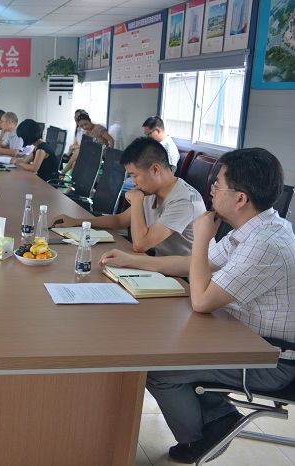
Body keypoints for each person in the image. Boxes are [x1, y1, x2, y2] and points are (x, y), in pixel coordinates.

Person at [98, 147, 295, 464]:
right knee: (157, 342)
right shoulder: (255, 227)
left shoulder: (265, 244)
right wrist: (132, 261)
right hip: (237, 336)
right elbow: (193, 264)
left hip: (268, 358)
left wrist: (202, 237)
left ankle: (199, 438)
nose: (211, 190)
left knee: (156, 368)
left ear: (240, 199)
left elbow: (202, 301)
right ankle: (220, 416)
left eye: (217, 185)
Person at [52, 137, 205, 257]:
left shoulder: (184, 200)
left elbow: (140, 244)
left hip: (185, 278)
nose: (132, 182)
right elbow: (120, 220)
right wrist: (77, 222)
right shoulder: (152, 190)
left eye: (134, 175)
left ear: (155, 170)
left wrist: (137, 201)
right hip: (159, 263)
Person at [122, 116, 181, 194]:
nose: (147, 137)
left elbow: (170, 173)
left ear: (158, 131)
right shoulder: (154, 145)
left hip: (152, 179)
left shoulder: (169, 148)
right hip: (144, 173)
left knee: (118, 186)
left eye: (149, 134)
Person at [61, 112, 114, 176]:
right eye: (81, 126)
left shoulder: (99, 129)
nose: (84, 127)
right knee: (74, 163)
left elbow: (111, 140)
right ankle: (71, 180)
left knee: (76, 154)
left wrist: (109, 154)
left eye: (85, 124)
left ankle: (63, 172)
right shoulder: (86, 132)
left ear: (90, 120)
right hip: (91, 155)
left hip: (101, 156)